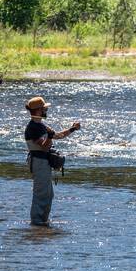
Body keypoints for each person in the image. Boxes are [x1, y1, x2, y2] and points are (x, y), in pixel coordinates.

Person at [24, 96, 81, 227]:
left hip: (44, 162)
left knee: (49, 195)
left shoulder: (40, 125)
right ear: (38, 111)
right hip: (38, 162)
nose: (46, 111)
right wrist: (49, 137)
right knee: (41, 194)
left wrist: (72, 129)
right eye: (44, 109)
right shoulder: (32, 128)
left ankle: (43, 222)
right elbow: (44, 146)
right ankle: (37, 223)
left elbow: (58, 135)